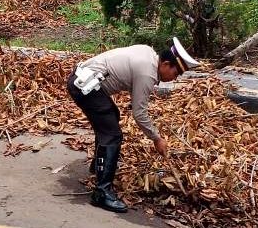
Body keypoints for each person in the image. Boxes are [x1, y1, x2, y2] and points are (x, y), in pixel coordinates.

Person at [66, 37, 199, 213]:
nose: (173, 79)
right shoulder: (147, 73)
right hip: (85, 87)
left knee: (111, 117)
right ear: (166, 64)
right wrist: (156, 138)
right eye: (175, 74)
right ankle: (101, 192)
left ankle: (100, 167)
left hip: (84, 80)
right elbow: (139, 113)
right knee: (112, 135)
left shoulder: (148, 52)